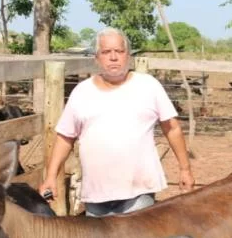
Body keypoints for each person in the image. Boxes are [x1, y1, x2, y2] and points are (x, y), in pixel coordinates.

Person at [39, 27, 195, 217]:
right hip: (95, 195)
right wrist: (50, 177)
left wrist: (185, 169)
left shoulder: (148, 86)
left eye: (119, 51)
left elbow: (172, 128)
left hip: (138, 192)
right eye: (106, 52)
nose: (113, 57)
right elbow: (65, 137)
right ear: (97, 58)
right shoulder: (82, 92)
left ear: (128, 56)